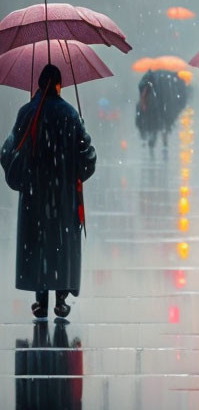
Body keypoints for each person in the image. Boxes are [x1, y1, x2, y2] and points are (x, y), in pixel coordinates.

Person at [1, 64, 96, 319]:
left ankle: (40, 300)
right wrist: (76, 170)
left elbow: (7, 151)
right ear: (59, 85)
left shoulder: (27, 112)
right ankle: (61, 299)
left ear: (39, 84)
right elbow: (87, 158)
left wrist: (22, 176)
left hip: (34, 195)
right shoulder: (70, 114)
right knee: (61, 246)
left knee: (38, 245)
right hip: (62, 196)